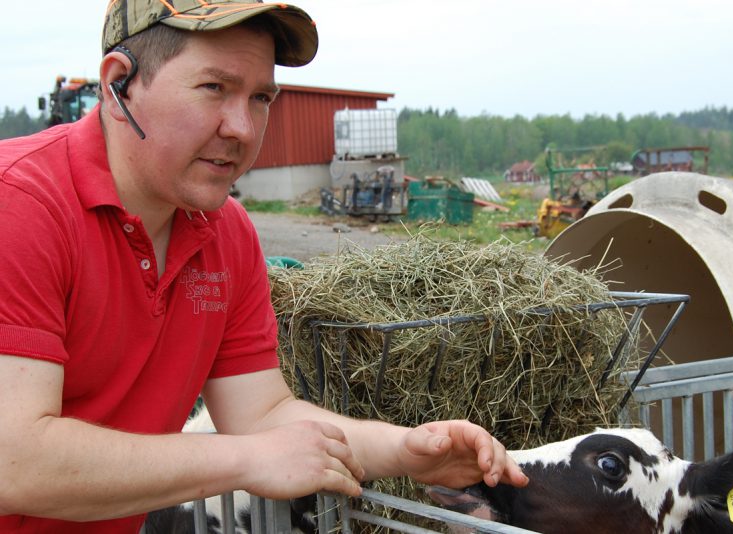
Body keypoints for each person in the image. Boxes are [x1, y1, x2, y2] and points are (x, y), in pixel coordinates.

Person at [0, 1, 529, 532]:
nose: (243, 129)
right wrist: (247, 459)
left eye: (260, 98)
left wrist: (407, 449)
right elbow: (14, 463)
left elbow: (262, 414)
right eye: (214, 88)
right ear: (121, 85)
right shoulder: (21, 204)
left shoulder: (225, 232)